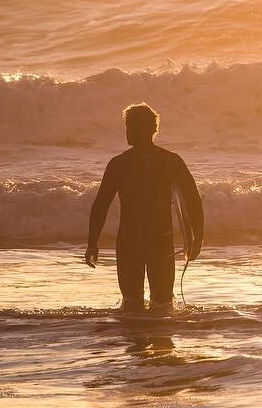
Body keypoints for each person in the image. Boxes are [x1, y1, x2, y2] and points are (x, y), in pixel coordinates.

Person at [85, 103, 204, 311]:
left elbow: (101, 204)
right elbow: (193, 200)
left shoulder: (119, 164)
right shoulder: (170, 161)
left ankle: (137, 341)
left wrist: (92, 243)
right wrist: (197, 237)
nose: (127, 132)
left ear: (144, 129)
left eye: (130, 127)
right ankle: (160, 341)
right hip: (160, 240)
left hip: (129, 242)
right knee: (163, 306)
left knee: (132, 306)